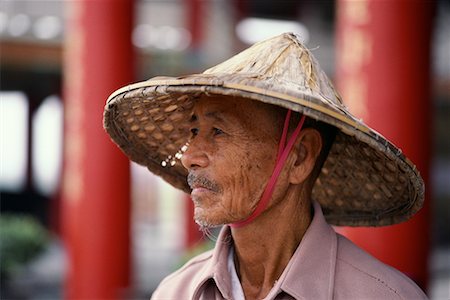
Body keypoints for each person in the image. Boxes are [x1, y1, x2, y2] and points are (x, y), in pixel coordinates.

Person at [104, 33, 427, 299]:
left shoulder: (383, 295)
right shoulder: (177, 292)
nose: (191, 157)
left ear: (298, 157)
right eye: (193, 131)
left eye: (218, 131)